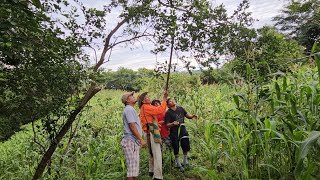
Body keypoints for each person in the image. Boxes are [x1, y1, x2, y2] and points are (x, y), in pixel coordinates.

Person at [138, 91, 168, 180]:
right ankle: (158, 176)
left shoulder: (146, 107)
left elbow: (157, 110)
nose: (148, 97)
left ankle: (152, 171)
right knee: (157, 153)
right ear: (143, 101)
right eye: (146, 97)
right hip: (151, 132)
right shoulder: (146, 107)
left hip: (148, 131)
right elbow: (160, 110)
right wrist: (165, 99)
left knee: (151, 152)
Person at [165, 98, 197, 171]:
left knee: (185, 145)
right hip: (174, 132)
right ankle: (178, 163)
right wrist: (172, 124)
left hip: (183, 130)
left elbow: (187, 115)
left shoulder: (180, 108)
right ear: (168, 105)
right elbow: (167, 124)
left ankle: (185, 161)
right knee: (176, 147)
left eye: (172, 99)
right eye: (170, 101)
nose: (172, 101)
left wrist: (192, 116)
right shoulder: (168, 113)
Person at [120, 92, 146, 180]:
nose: (133, 96)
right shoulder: (129, 110)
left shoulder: (130, 109)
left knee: (133, 169)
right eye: (131, 96)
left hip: (132, 141)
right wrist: (140, 139)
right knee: (131, 170)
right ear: (127, 100)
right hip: (131, 141)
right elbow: (132, 125)